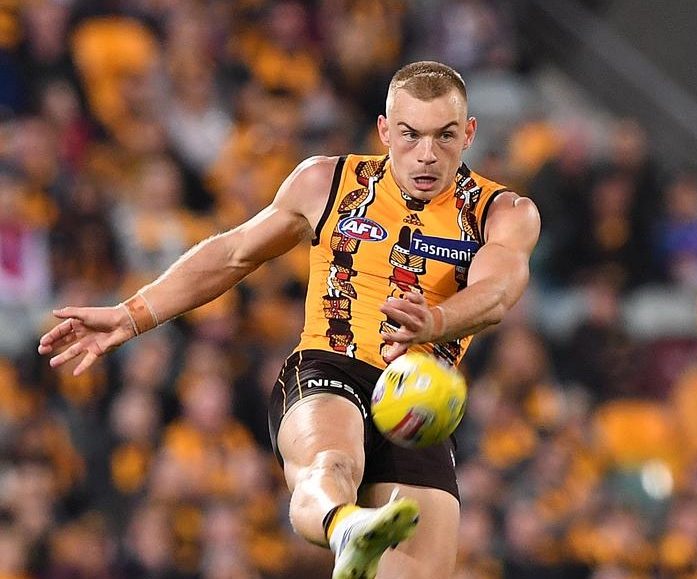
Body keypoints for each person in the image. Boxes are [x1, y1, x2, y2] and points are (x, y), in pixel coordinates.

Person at [38, 61, 540, 579]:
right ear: (385, 131)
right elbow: (234, 253)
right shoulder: (327, 181)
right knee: (331, 462)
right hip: (330, 365)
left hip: (420, 401)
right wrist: (132, 314)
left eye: (445, 136)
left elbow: (498, 292)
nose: (427, 153)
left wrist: (434, 322)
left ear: (469, 133)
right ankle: (345, 526)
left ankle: (353, 534)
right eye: (410, 134)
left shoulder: (501, 212)